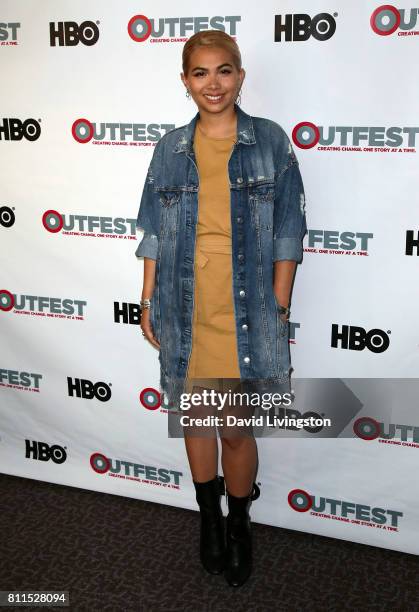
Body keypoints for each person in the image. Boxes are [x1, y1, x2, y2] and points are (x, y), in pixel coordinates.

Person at [135, 30, 307, 587]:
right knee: (195, 419)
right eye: (201, 73)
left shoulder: (271, 142)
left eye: (224, 70)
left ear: (240, 75)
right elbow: (155, 233)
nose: (214, 83)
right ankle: (208, 520)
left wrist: (278, 305)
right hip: (184, 302)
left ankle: (240, 524)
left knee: (234, 427)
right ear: (185, 81)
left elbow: (288, 229)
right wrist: (146, 298)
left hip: (248, 307)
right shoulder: (168, 149)